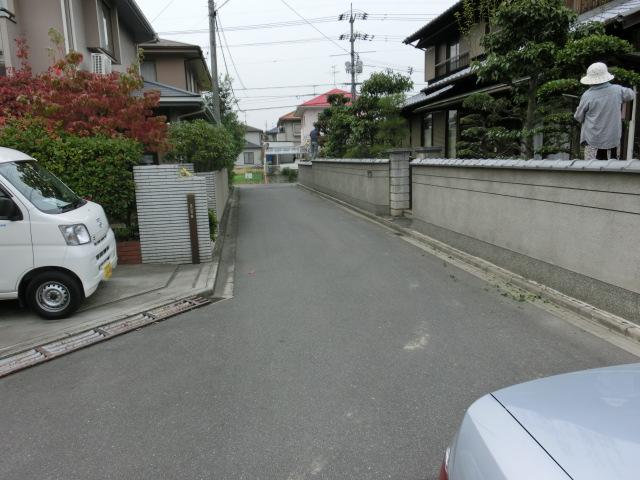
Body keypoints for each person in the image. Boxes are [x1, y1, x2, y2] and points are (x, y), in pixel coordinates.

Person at [574, 62, 635, 160]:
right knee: (612, 167)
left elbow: (578, 117)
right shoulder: (617, 90)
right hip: (613, 139)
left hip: (593, 140)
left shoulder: (587, 95)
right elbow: (631, 94)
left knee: (592, 169)